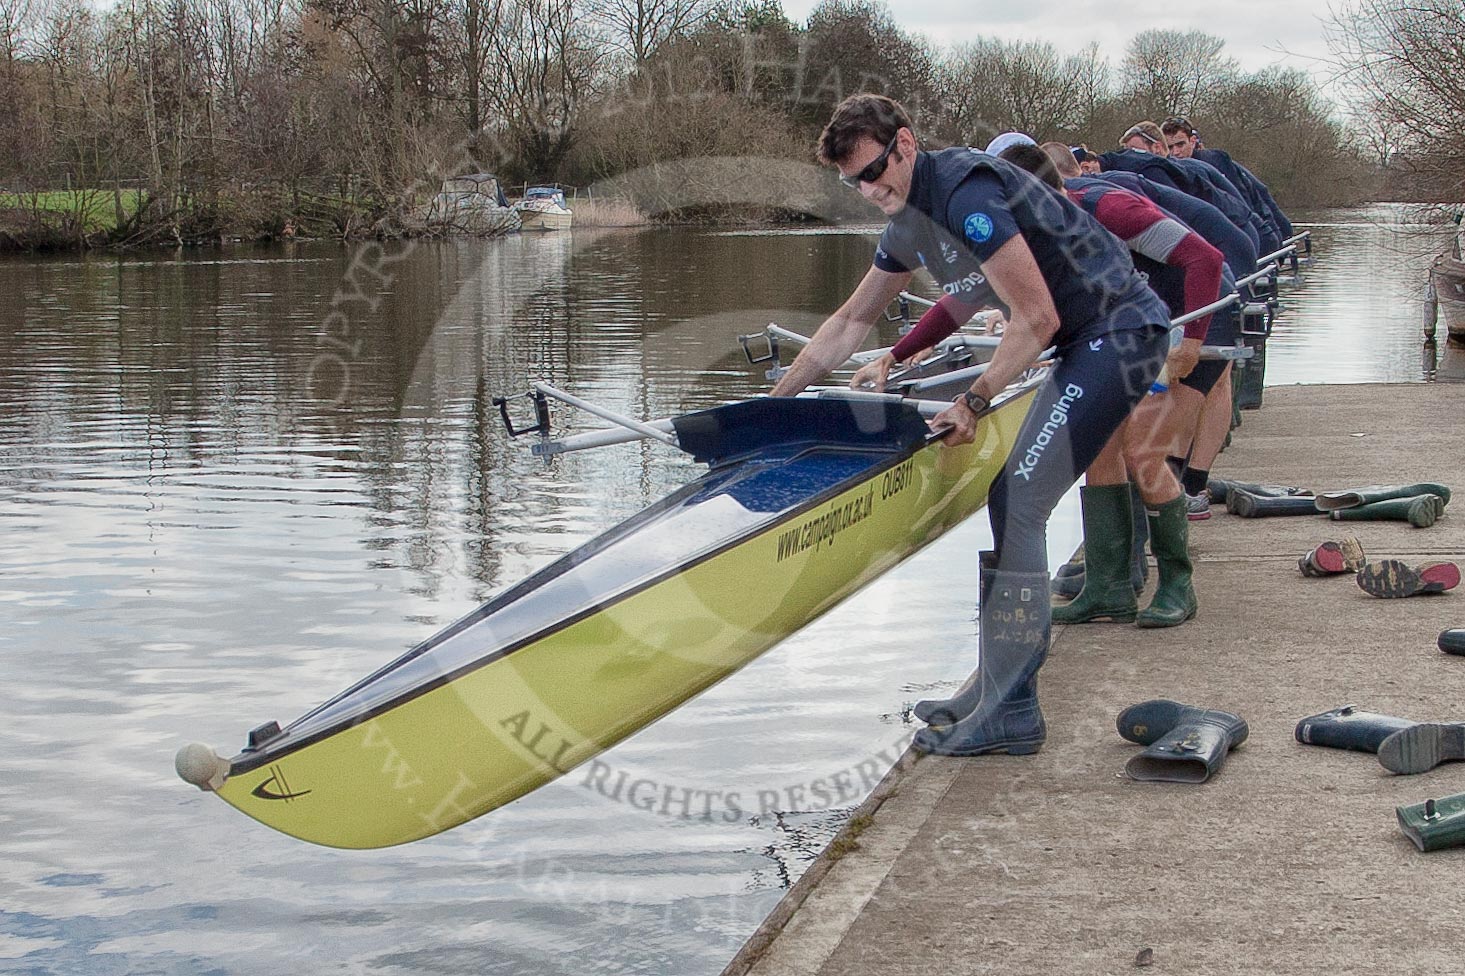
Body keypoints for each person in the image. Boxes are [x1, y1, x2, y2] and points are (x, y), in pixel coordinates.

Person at [769, 94, 1172, 758]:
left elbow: (1034, 317)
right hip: (1085, 340)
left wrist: (974, 401)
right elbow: (847, 323)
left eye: (874, 172)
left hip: (1121, 333)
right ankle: (992, 687)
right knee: (1012, 499)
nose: (869, 191)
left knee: (1018, 499)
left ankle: (1012, 709)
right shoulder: (904, 221)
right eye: (853, 183)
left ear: (904, 143)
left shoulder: (964, 194)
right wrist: (777, 405)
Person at [1105, 123, 1272, 253]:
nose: (1128, 156)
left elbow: (1245, 197)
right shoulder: (1159, 171)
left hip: (1241, 232)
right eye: (1125, 151)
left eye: (1134, 150)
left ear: (1156, 148)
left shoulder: (1188, 168)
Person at [1161, 116, 1295, 242]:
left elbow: (1249, 198)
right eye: (1170, 147)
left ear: (1192, 141)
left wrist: (1271, 234)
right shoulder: (1166, 169)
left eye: (1180, 145)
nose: (1175, 153)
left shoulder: (1216, 161)